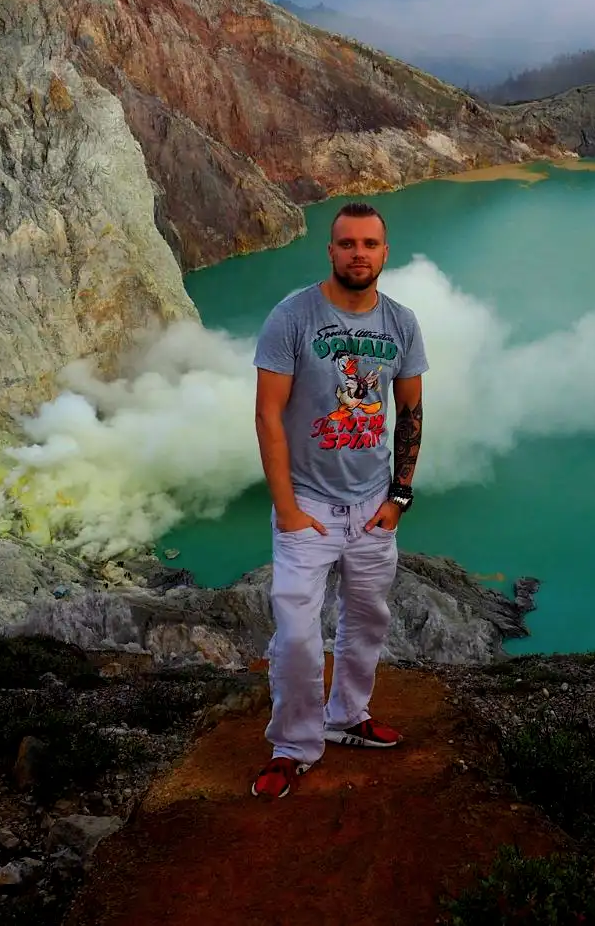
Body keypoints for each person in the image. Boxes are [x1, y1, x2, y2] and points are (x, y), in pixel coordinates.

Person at [250, 202, 427, 799]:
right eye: (347, 243)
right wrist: (289, 510)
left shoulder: (401, 323)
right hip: (309, 507)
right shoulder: (293, 316)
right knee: (297, 633)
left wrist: (399, 496)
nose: (359, 253)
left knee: (367, 623)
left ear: (385, 252)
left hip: (374, 506)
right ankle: (292, 745)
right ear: (330, 251)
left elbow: (411, 411)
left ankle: (348, 716)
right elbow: (268, 414)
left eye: (370, 244)